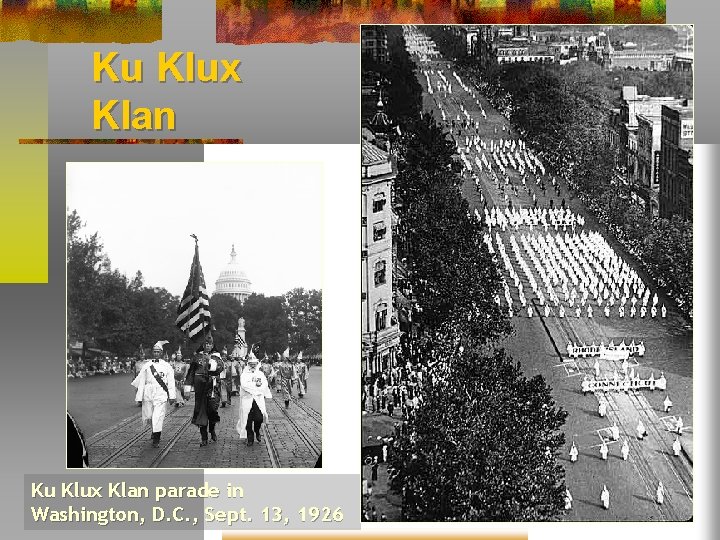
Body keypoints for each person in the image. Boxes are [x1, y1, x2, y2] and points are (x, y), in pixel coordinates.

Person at [131, 340, 176, 448]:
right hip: (148, 393)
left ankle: (157, 437)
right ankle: (154, 430)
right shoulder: (147, 365)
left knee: (158, 416)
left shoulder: (167, 366)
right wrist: (139, 397)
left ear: (161, 353)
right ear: (152, 352)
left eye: (158, 352)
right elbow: (141, 381)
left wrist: (172, 396)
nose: (156, 353)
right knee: (150, 416)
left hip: (161, 394)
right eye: (154, 351)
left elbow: (171, 381)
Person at [185, 334, 224, 447]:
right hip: (200, 388)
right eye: (206, 344)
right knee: (201, 411)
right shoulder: (197, 357)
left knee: (212, 410)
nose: (208, 346)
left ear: (213, 345)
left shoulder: (216, 357)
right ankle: (204, 438)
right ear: (203, 345)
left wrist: (211, 362)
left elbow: (220, 368)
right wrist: (187, 387)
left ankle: (212, 429)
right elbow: (191, 373)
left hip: (213, 388)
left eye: (210, 344)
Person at [236, 351, 272, 446]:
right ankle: (250, 438)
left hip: (257, 400)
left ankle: (257, 430)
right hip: (247, 400)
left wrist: (258, 390)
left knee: (259, 418)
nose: (252, 366)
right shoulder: (244, 374)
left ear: (257, 364)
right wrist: (255, 388)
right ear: (248, 364)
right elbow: (244, 385)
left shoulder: (260, 374)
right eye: (251, 364)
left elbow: (264, 385)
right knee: (247, 419)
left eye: (254, 364)